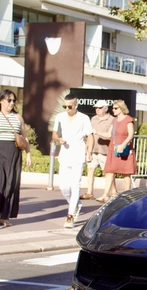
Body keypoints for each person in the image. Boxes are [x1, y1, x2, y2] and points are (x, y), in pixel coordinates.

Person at [0, 89, 32, 227]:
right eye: (9, 100)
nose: (12, 103)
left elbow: (24, 137)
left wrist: (28, 154)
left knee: (10, 185)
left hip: (13, 153)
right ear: (1, 100)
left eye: (14, 100)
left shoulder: (18, 117)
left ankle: (4, 216)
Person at [52, 93, 94, 229]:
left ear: (76, 105)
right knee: (63, 187)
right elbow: (54, 133)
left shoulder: (84, 118)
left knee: (75, 185)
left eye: (70, 106)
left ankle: (70, 215)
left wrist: (89, 152)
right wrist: (59, 139)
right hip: (65, 154)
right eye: (65, 106)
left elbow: (90, 136)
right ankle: (75, 204)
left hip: (78, 154)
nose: (67, 109)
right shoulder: (60, 117)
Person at [97, 99, 136, 203]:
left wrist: (123, 145)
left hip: (124, 149)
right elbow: (108, 135)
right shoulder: (114, 120)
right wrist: (96, 132)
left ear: (121, 108)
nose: (113, 110)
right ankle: (105, 195)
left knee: (126, 174)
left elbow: (131, 134)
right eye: (112, 108)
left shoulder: (128, 119)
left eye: (115, 108)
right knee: (109, 171)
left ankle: (127, 195)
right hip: (113, 148)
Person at [80, 100, 117, 200]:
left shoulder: (112, 120)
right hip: (93, 149)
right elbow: (89, 135)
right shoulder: (93, 119)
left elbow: (112, 136)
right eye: (96, 108)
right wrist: (87, 147)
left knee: (108, 172)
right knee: (90, 170)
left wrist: (99, 132)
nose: (97, 110)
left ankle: (113, 191)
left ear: (106, 108)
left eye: (100, 108)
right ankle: (89, 192)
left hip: (105, 150)